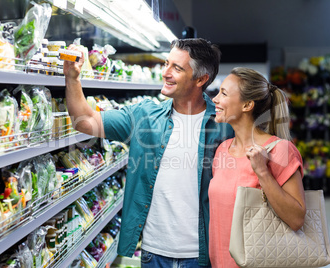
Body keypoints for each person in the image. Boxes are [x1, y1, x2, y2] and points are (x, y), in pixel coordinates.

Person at [64, 38, 234, 267]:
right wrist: (72, 78)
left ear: (201, 79)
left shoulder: (225, 124)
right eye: (166, 63)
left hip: (203, 255)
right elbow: (85, 122)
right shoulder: (144, 115)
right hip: (153, 253)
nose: (166, 73)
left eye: (177, 68)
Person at [208, 67, 306, 268]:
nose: (214, 99)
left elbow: (297, 219)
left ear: (247, 105)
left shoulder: (280, 150)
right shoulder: (222, 151)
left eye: (223, 93)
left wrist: (262, 171)